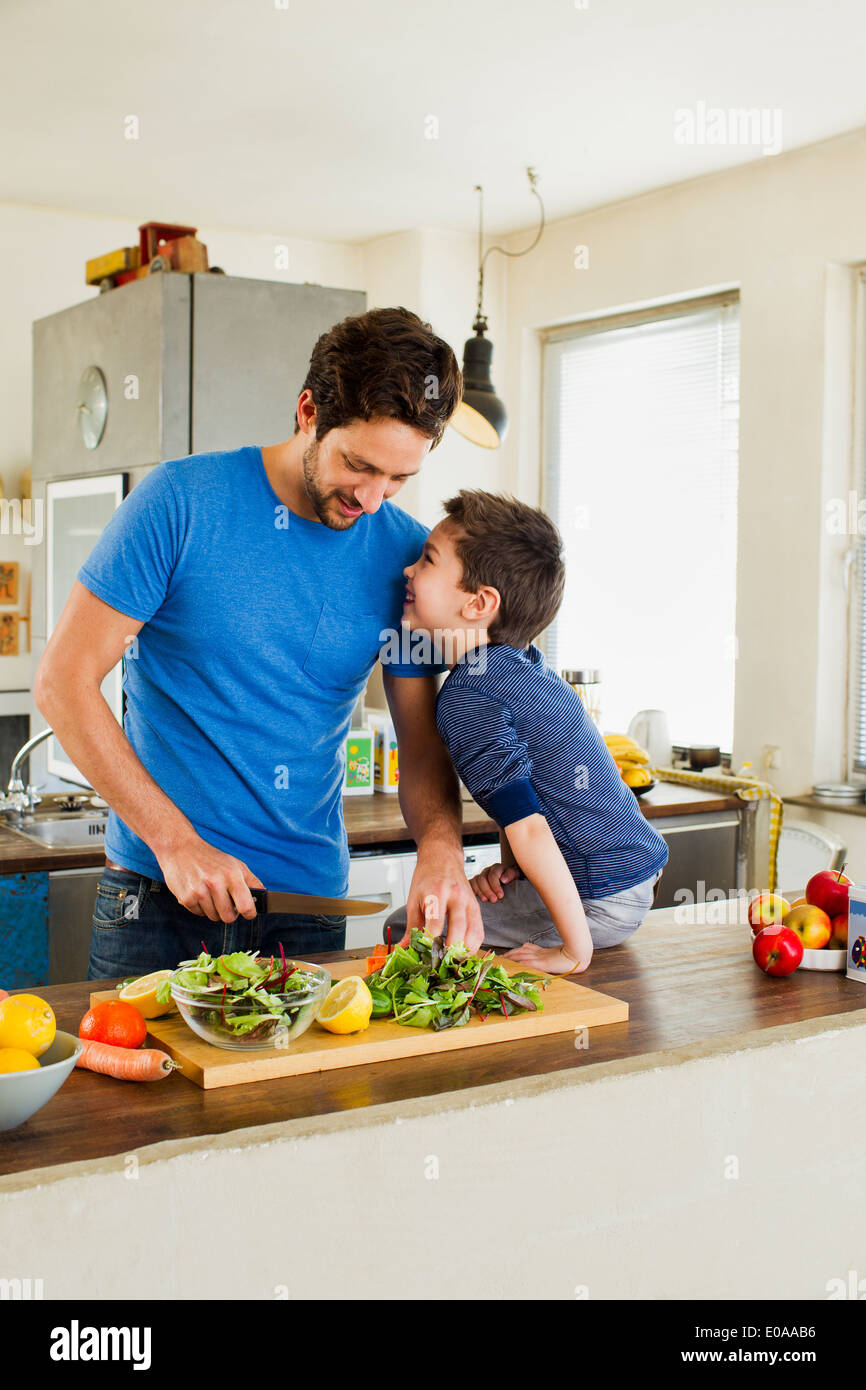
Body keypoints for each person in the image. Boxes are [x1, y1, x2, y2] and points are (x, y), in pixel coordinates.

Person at [34, 307, 483, 979]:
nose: (372, 497)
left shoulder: (409, 560)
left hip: (307, 907)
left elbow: (420, 742)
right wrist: (176, 842)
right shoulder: (178, 503)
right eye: (358, 465)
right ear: (308, 411)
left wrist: (443, 849)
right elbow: (62, 682)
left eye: (398, 480)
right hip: (158, 898)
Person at [383, 489, 668, 974]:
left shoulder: (469, 695)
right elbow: (530, 797)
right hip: (628, 874)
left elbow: (531, 828)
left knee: (403, 930)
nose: (408, 570)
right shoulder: (517, 666)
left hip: (598, 897)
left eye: (427, 561)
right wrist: (512, 874)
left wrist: (574, 951)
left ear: (478, 603)